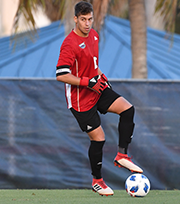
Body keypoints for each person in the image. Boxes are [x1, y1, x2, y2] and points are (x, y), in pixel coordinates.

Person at [56, 1, 143, 196]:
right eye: (83, 19)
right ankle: (97, 181)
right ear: (75, 19)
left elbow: (94, 65)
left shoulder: (94, 35)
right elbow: (61, 74)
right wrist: (88, 82)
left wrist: (103, 78)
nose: (87, 23)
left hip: (97, 88)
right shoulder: (69, 44)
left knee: (128, 109)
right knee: (99, 139)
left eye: (90, 19)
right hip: (80, 100)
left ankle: (122, 155)